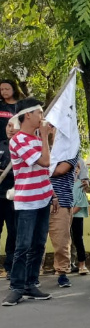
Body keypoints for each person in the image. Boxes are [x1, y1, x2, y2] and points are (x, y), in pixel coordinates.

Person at [2, 99, 54, 306]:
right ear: (28, 115)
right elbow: (45, 161)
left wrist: (53, 195)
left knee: (39, 244)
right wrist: (44, 137)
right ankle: (16, 287)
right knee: (22, 245)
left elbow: (46, 169)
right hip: (27, 201)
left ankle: (31, 283)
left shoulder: (35, 139)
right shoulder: (19, 140)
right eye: (39, 112)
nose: (42, 116)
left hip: (43, 197)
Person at [47, 126, 79, 288]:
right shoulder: (37, 147)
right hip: (37, 199)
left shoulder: (70, 150)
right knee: (33, 241)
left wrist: (38, 168)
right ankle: (31, 274)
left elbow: (61, 170)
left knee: (61, 241)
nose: (53, 129)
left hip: (62, 201)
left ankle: (62, 272)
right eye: (51, 126)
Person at [0, 119, 17, 277]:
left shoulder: (21, 147)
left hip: (13, 197)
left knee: (13, 232)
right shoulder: (1, 145)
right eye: (8, 126)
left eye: (14, 126)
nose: (10, 129)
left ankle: (10, 267)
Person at [70, 158, 90, 275]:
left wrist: (70, 213)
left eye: (77, 168)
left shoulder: (80, 184)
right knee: (65, 240)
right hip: (64, 215)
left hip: (76, 215)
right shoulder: (63, 184)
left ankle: (82, 263)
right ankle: (66, 264)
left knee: (78, 239)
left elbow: (81, 203)